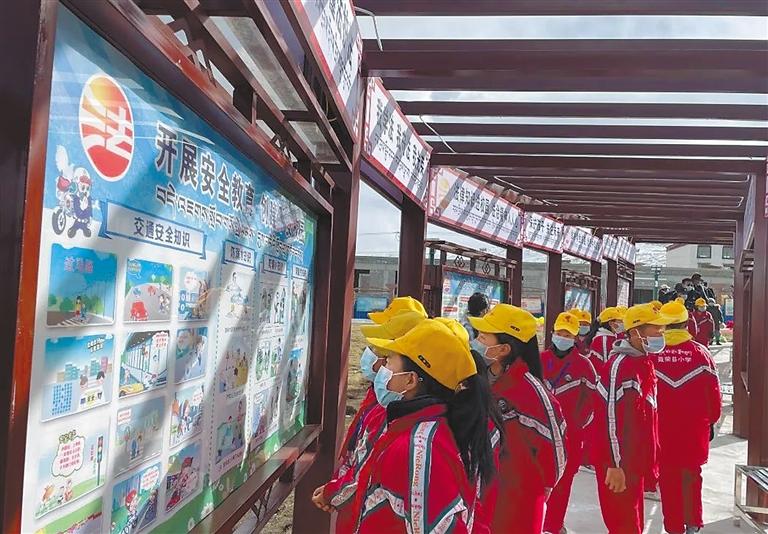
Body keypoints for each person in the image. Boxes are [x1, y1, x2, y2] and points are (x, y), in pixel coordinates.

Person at [342, 319, 500, 533]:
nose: (383, 368)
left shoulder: (419, 447)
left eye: (389, 361)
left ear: (410, 380)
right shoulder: (425, 429)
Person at [315, 310, 428, 531]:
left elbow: (368, 473)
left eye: (387, 357)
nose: (373, 357)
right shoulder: (383, 401)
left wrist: (334, 493)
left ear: (410, 377)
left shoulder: (405, 427)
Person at [469, 304, 567, 534]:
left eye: (483, 337)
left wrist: (545, 486)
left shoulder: (531, 392)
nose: (475, 342)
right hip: (482, 497)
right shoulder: (475, 381)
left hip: (518, 504)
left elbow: (556, 449)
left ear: (503, 349)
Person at [589, 303, 673, 534]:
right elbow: (609, 419)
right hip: (619, 464)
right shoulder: (619, 367)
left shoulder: (644, 362)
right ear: (636, 333)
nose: (661, 335)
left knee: (632, 523)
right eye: (656, 330)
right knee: (624, 525)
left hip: (634, 462)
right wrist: (614, 465)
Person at [653, 301, 722, 534]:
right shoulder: (701, 354)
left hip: (661, 430)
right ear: (686, 323)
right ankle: (693, 523)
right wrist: (711, 421)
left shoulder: (652, 356)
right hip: (694, 430)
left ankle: (673, 527)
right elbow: (714, 394)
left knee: (668, 478)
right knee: (692, 476)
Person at [541, 312, 598, 534]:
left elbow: (592, 403)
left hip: (570, 437)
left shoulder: (584, 365)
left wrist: (577, 426)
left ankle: (555, 525)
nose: (562, 337)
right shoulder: (539, 360)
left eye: (567, 334)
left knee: (563, 484)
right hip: (540, 434)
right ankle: (539, 523)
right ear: (553, 332)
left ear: (575, 338)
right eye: (559, 332)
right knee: (539, 482)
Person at [589, 307, 624, 375]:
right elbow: (606, 363)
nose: (623, 323)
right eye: (620, 321)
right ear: (611, 323)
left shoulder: (613, 336)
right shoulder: (602, 339)